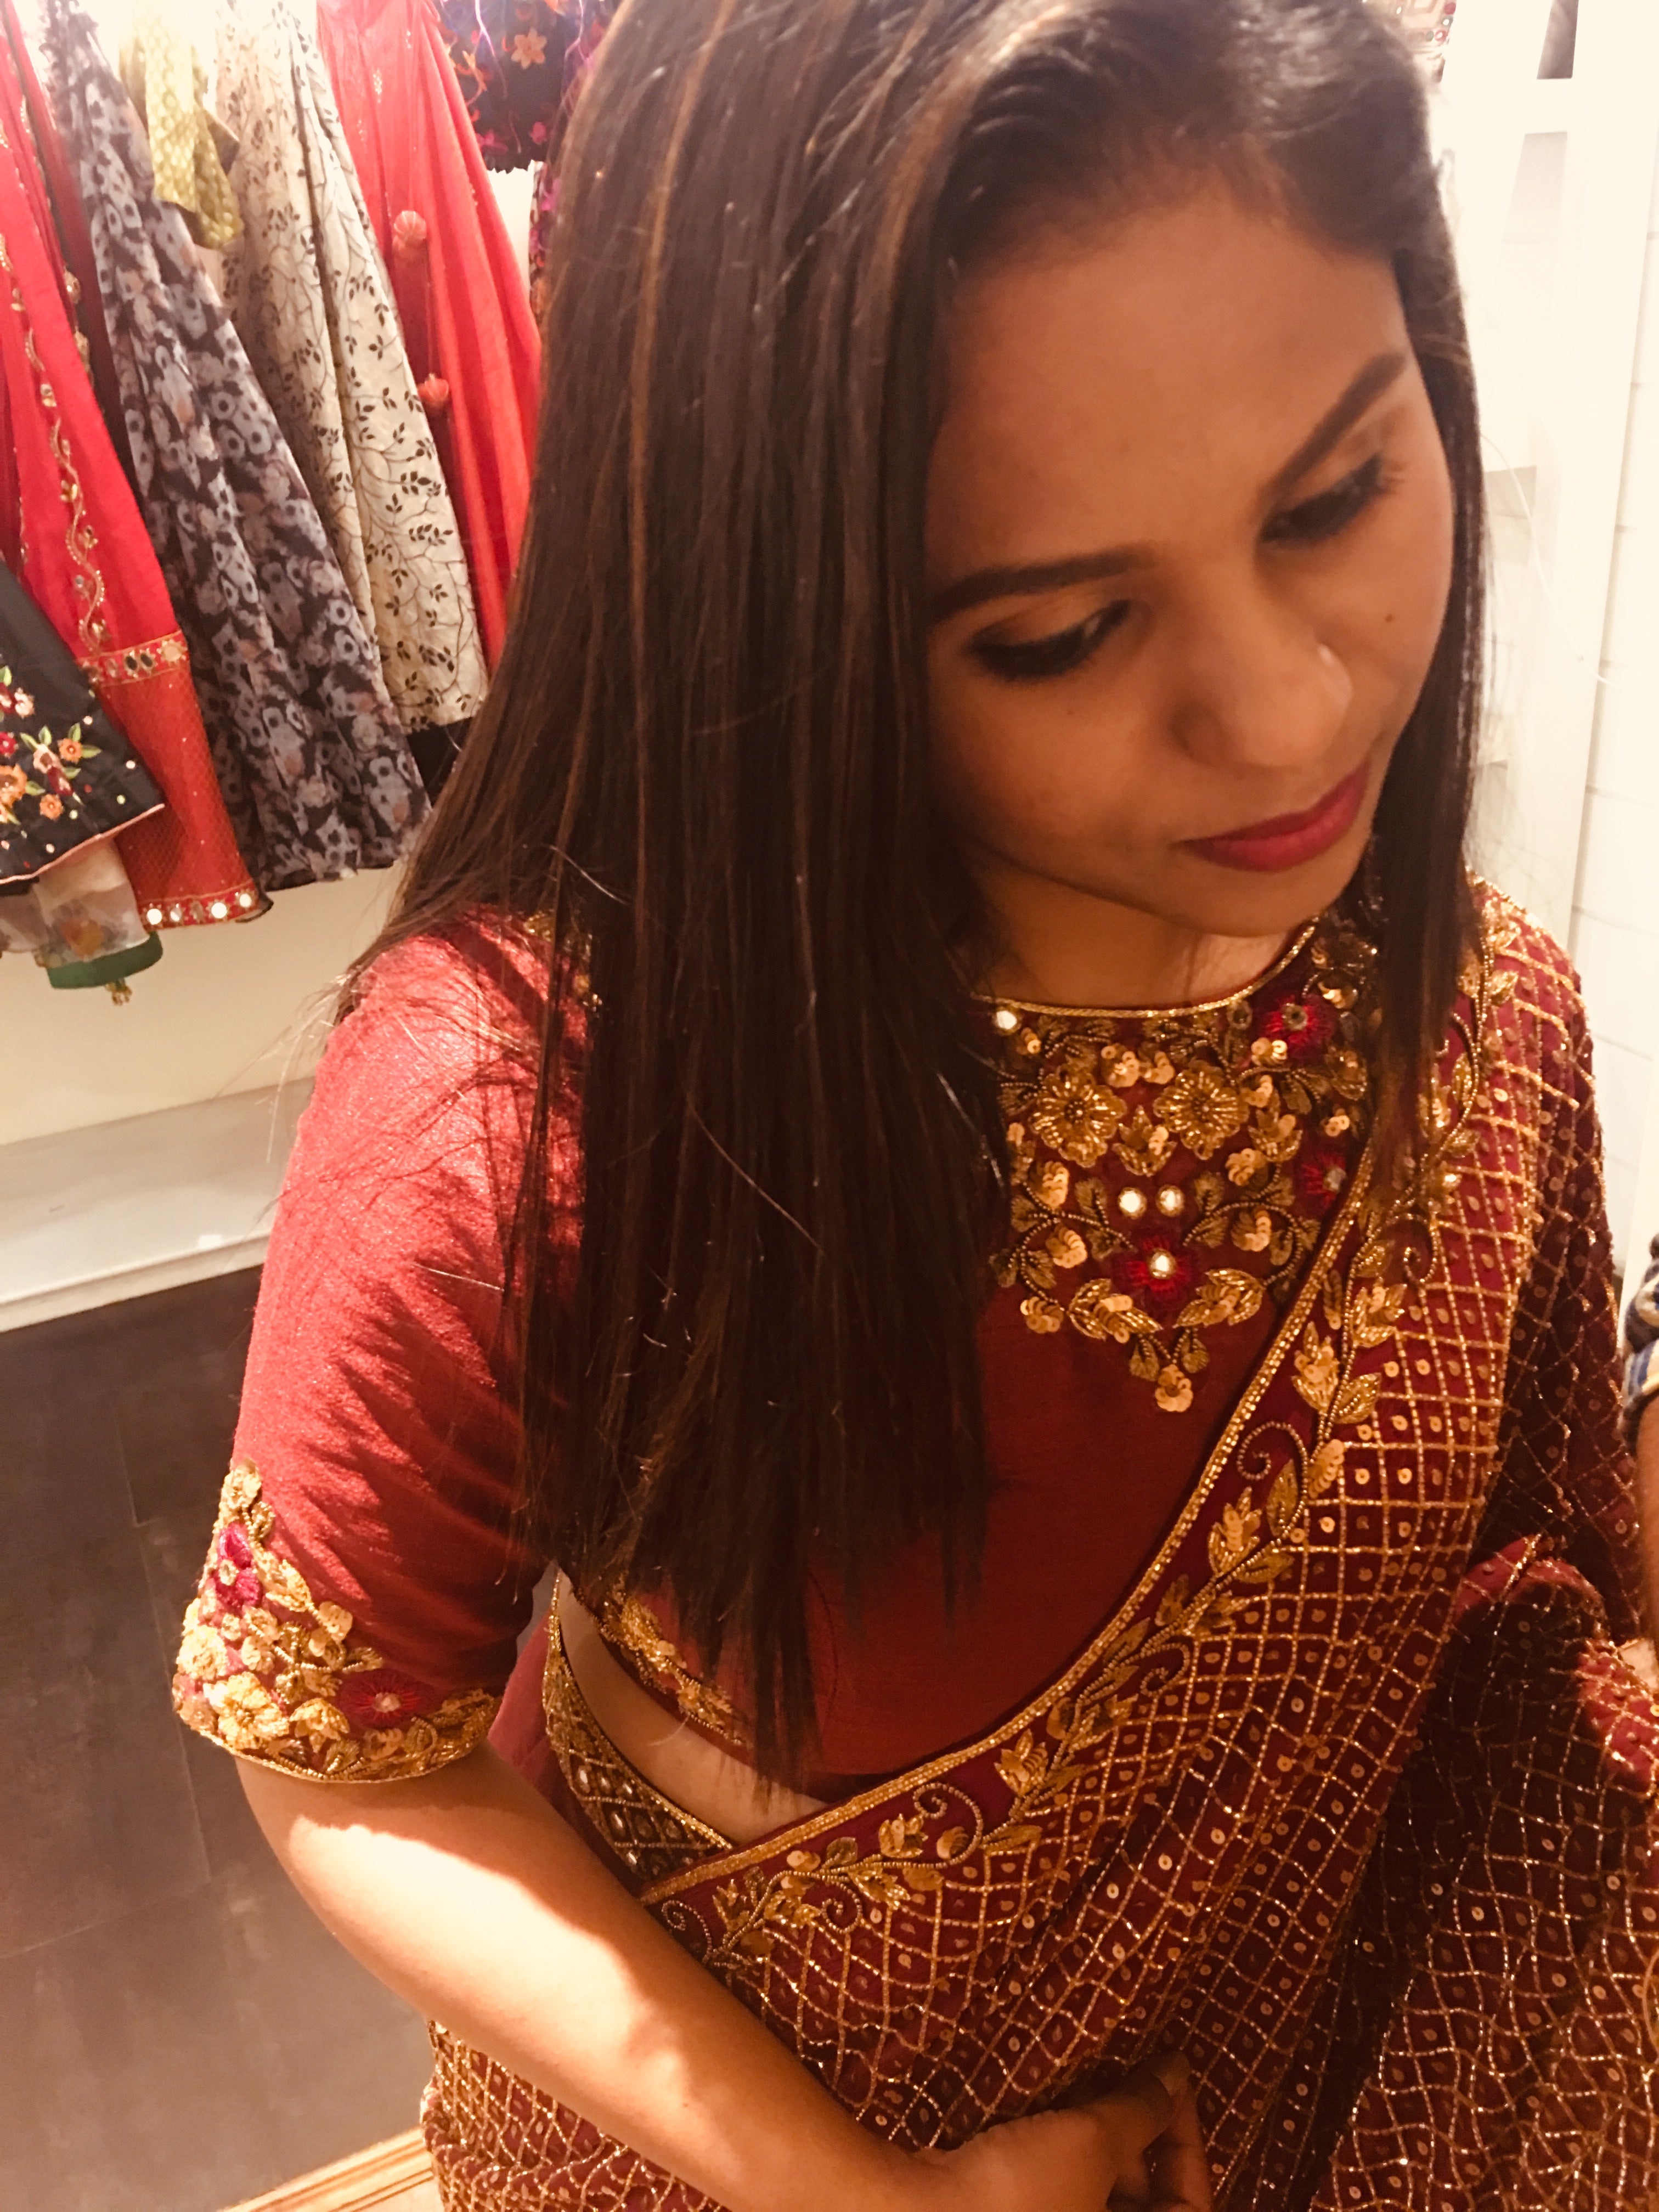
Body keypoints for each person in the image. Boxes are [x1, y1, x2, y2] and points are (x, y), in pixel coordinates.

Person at [170, 0, 1659, 2204]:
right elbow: (345, 1761)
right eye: (1062, 634)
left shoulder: (1484, 1015)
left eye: (1339, 493)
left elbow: (1522, 1637)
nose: (1282, 715)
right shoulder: (530, 1111)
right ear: (781, 611)